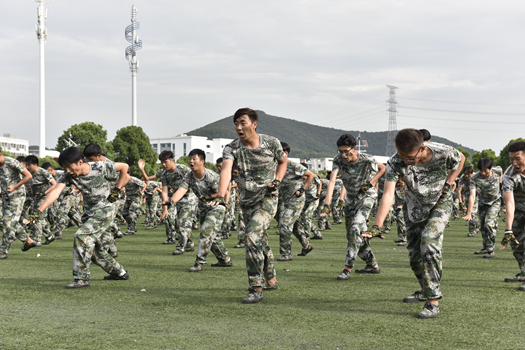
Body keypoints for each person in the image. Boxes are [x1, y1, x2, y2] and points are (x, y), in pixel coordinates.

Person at [370, 128, 464, 319]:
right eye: (401, 154)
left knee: (429, 242)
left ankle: (433, 302)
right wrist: (377, 225)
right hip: (414, 207)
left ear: (422, 148)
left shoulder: (442, 152)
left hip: (440, 202)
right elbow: (388, 194)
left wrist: (449, 182)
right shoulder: (395, 162)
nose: (405, 160)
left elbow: (460, 159)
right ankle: (424, 289)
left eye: (409, 157)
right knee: (414, 256)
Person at [214, 108, 288, 304]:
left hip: (268, 198)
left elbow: (283, 161)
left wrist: (278, 181)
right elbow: (226, 172)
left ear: (254, 124)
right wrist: (221, 196)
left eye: (243, 123)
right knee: (260, 241)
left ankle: (256, 287)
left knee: (252, 236)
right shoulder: (232, 148)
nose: (238, 127)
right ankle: (270, 278)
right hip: (246, 201)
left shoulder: (271, 142)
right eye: (236, 123)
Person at [30, 147, 130, 288]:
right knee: (93, 248)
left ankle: (81, 278)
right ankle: (119, 272)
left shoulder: (101, 166)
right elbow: (55, 193)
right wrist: (38, 211)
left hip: (105, 209)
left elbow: (125, 167)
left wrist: (117, 189)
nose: (68, 171)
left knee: (81, 236)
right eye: (65, 168)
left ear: (80, 162)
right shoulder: (67, 175)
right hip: (89, 212)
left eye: (70, 167)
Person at [322, 134, 385, 280]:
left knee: (356, 228)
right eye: (340, 151)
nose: (343, 155)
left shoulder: (366, 159)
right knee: (353, 235)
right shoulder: (338, 160)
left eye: (346, 151)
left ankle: (347, 268)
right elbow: (332, 181)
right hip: (351, 200)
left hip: (366, 197)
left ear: (354, 149)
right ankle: (373, 265)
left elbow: (382, 169)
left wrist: (370, 182)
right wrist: (327, 204)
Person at [167, 149, 232, 272]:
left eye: (194, 159)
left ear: (202, 161)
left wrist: (212, 198)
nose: (191, 161)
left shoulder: (211, 176)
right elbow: (181, 190)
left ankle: (199, 262)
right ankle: (225, 260)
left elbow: (223, 192)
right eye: (190, 159)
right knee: (213, 237)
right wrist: (171, 201)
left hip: (217, 207)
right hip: (204, 208)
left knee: (206, 231)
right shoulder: (189, 176)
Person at [276, 142, 315, 261]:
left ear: (286, 153)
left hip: (295, 200)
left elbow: (311, 175)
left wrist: (302, 189)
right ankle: (306, 245)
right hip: (283, 200)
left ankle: (286, 253)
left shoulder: (293, 165)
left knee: (285, 225)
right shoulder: (275, 166)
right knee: (295, 226)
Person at [0, 151, 37, 259]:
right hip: (6, 197)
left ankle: (3, 251)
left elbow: (28, 175)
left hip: (17, 196)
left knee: (7, 222)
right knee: (10, 222)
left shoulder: (12, 162)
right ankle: (29, 241)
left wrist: (15, 186)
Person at [463, 158, 502, 258]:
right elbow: (472, 195)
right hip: (482, 202)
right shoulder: (475, 178)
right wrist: (469, 212)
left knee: (489, 224)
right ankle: (485, 247)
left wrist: (501, 185)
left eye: (486, 171)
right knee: (483, 226)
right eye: (481, 170)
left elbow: (501, 172)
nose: (483, 173)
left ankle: (490, 250)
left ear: (491, 168)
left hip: (495, 201)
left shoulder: (497, 171)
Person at [158, 150, 195, 252]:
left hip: (189, 198)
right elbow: (164, 192)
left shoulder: (183, 169)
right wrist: (165, 209)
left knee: (182, 222)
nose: (163, 165)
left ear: (172, 160)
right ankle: (189, 244)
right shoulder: (164, 174)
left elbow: (194, 180)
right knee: (179, 222)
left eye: (165, 162)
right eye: (161, 162)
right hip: (176, 199)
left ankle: (180, 247)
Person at [500, 141, 525, 288]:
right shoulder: (508, 175)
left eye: (517, 158)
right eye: (511, 159)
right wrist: (508, 230)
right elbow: (509, 203)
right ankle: (523, 271)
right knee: (516, 244)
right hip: (519, 207)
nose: (514, 163)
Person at [24, 155, 57, 245]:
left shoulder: (44, 172)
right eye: (26, 165)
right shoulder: (28, 173)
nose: (27, 167)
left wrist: (44, 193)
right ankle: (49, 236)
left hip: (44, 197)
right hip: (34, 197)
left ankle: (37, 239)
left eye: (29, 165)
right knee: (40, 218)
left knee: (36, 216)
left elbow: (54, 184)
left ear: (35, 164)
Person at [458, 167, 479, 237]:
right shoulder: (462, 178)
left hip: (477, 195)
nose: (466, 176)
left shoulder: (477, 177)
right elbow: (459, 190)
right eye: (465, 174)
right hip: (467, 195)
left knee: (472, 213)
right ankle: (473, 229)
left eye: (468, 174)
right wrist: (460, 202)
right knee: (472, 213)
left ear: (472, 173)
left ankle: (476, 226)